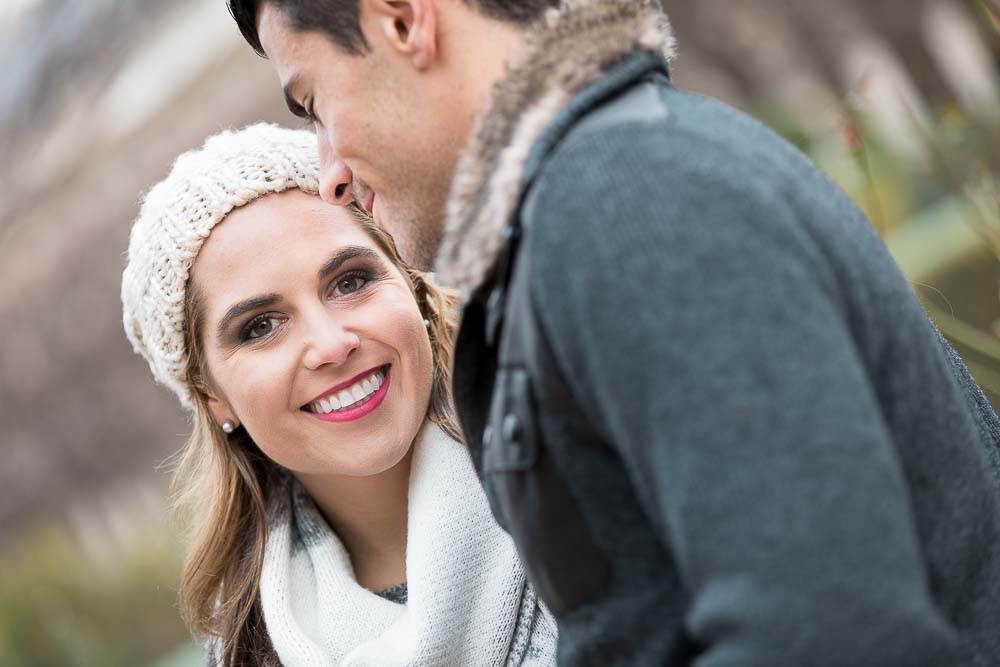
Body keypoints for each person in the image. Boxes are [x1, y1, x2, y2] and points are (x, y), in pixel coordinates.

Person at [229, 1, 1000, 664]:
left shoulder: (628, 209)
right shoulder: (610, 193)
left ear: (403, 20)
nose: (327, 169)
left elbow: (831, 629)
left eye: (315, 101)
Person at [120, 123, 556, 666]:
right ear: (214, 399)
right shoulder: (244, 654)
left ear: (410, 282)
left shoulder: (587, 456)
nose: (330, 344)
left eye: (350, 282)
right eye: (260, 326)